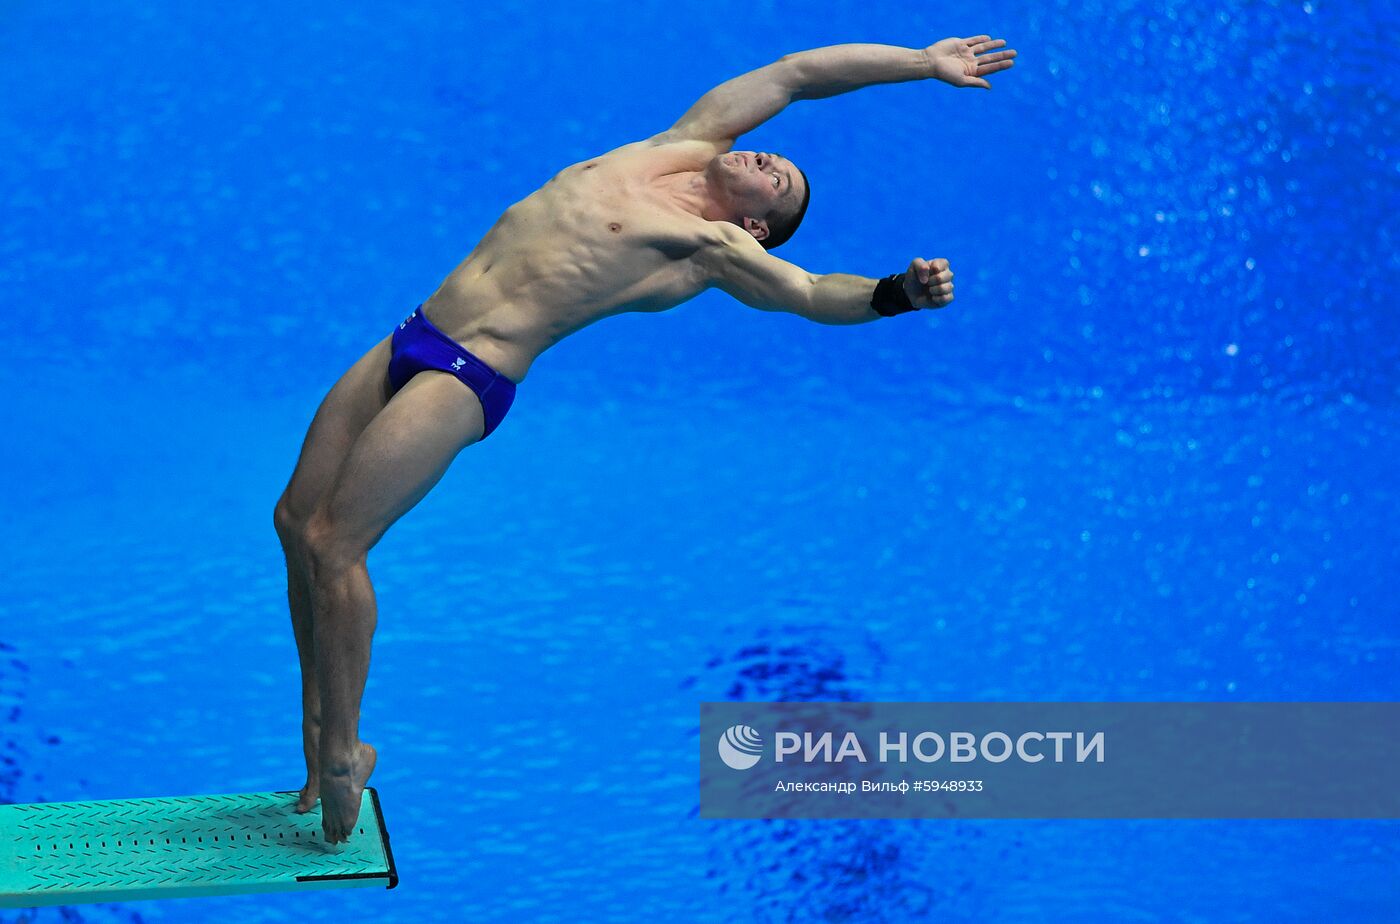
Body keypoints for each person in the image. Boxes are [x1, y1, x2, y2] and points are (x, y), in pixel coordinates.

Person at [271, 35, 1017, 843]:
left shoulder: (711, 247)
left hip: (466, 373)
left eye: (780, 183)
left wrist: (894, 293)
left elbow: (808, 293)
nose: (771, 161)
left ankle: (348, 755)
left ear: (758, 224)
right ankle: (320, 734)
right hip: (412, 334)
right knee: (294, 520)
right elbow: (796, 76)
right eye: (776, 160)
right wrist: (920, 61)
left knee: (335, 544)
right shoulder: (676, 146)